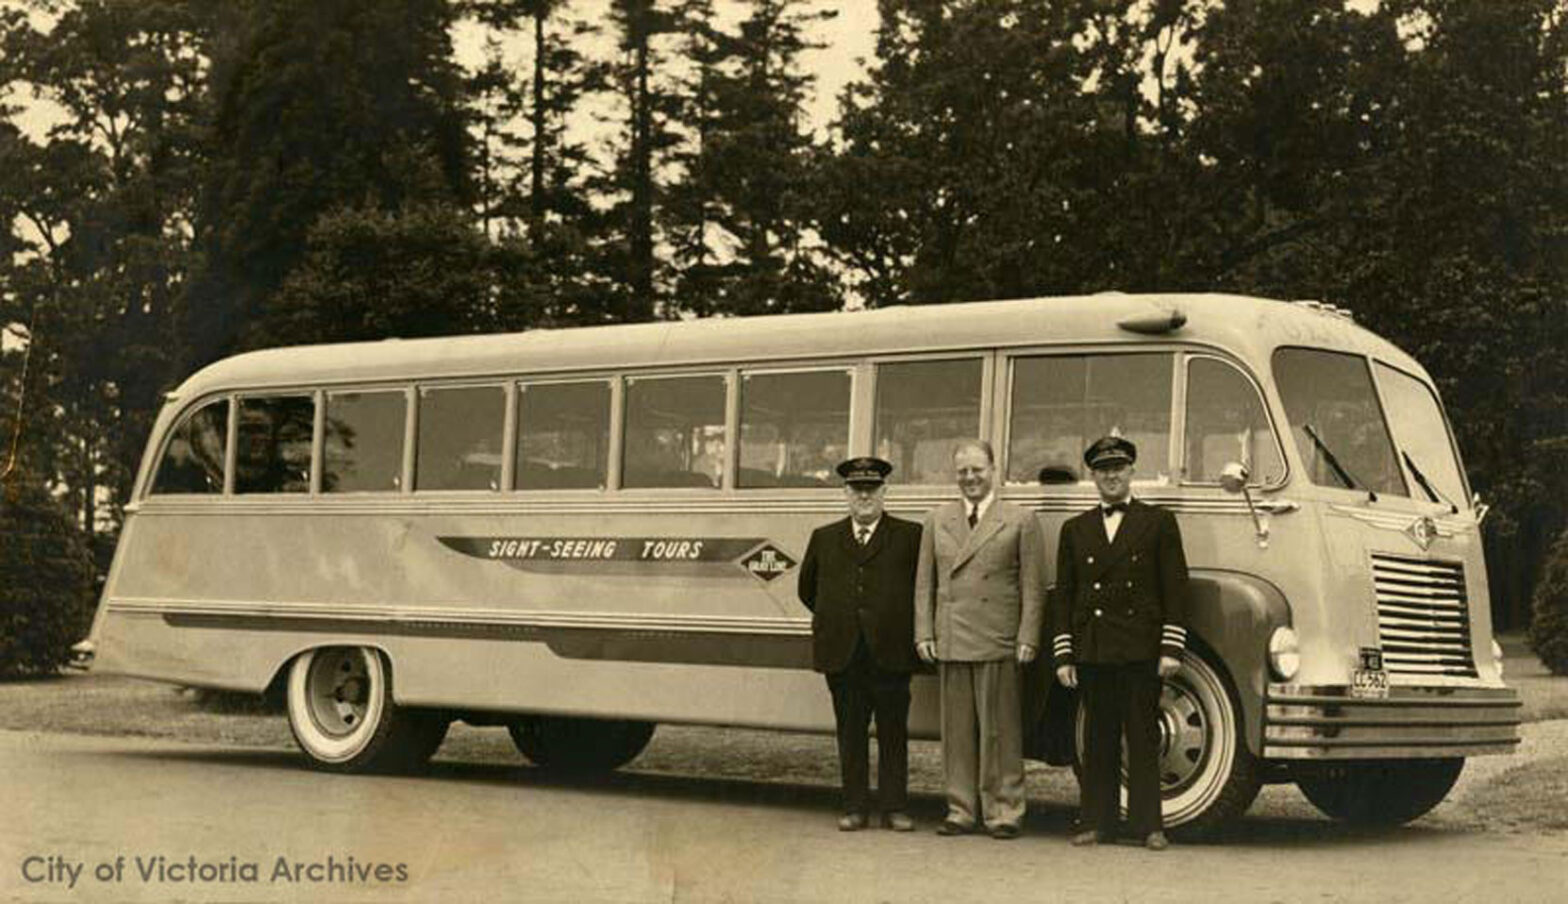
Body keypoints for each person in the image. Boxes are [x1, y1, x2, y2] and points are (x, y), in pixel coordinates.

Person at [1049, 435, 1190, 851]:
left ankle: (1150, 826)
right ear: (1093, 476)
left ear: (1131, 472)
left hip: (1141, 648)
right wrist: (1063, 654)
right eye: (1103, 470)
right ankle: (1098, 822)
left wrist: (1171, 648)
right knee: (1098, 739)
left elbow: (1175, 589)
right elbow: (1066, 596)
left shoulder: (1158, 522)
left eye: (1118, 468)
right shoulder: (1075, 529)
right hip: (1093, 648)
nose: (1111, 476)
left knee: (1144, 738)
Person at [914, 439, 1046, 839]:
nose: (970, 478)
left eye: (978, 470)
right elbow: (924, 584)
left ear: (994, 470)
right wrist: (924, 631)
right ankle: (960, 809)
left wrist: (1028, 635)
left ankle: (1004, 811)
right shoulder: (937, 519)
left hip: (998, 636)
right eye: (963, 472)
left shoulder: (1021, 519)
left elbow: (1033, 587)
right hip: (952, 635)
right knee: (956, 733)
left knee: (1000, 731)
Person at [797, 456, 923, 832]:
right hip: (844, 653)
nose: (864, 496)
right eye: (857, 490)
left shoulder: (909, 536)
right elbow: (808, 589)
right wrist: (842, 620)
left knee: (893, 732)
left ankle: (894, 807)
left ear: (885, 492)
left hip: (891, 652)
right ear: (845, 494)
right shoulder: (825, 537)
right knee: (850, 733)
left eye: (872, 489)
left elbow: (922, 589)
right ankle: (854, 806)